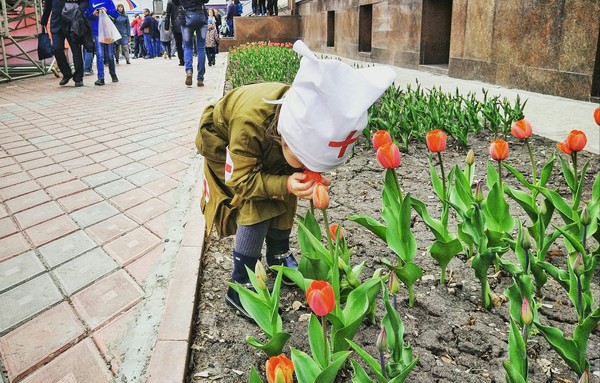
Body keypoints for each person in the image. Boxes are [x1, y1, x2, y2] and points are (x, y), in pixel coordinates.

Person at [194, 40, 397, 319]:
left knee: (287, 190)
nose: (309, 168)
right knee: (260, 201)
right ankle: (241, 282)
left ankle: (278, 257)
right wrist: (285, 184)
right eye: (307, 161)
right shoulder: (249, 124)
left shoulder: (303, 116)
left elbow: (293, 169)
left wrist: (296, 180)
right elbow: (241, 180)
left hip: (267, 144)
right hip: (223, 144)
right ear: (285, 138)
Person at [40, 0, 87, 87]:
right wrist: (44, 21)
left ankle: (78, 77)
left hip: (72, 24)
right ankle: (66, 73)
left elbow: (84, 2)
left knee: (76, 51)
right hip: (56, 24)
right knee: (57, 49)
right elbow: (48, 5)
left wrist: (79, 11)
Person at [85, 0, 120, 85]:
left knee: (110, 55)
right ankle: (101, 78)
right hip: (97, 32)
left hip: (107, 31)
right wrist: (93, 14)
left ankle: (113, 74)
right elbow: (87, 15)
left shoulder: (108, 1)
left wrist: (107, 11)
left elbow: (116, 15)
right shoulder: (90, 1)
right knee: (99, 54)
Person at [180, 0, 209, 87]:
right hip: (201, 17)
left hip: (187, 18)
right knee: (201, 48)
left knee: (188, 47)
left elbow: (175, 2)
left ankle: (189, 71)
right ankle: (200, 78)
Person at [165, 0, 184, 66]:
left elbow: (168, 15)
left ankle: (181, 60)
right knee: (186, 42)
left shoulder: (170, 2)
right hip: (185, 23)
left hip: (175, 24)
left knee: (178, 43)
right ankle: (186, 58)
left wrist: (166, 27)